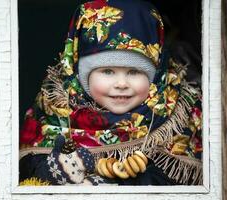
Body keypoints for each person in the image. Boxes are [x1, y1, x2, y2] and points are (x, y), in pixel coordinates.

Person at [19, 0, 202, 186]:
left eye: (134, 72)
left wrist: (133, 179)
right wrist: (55, 168)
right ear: (81, 76)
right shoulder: (55, 107)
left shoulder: (177, 113)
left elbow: (187, 179)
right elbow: (27, 167)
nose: (121, 84)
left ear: (156, 77)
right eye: (107, 72)